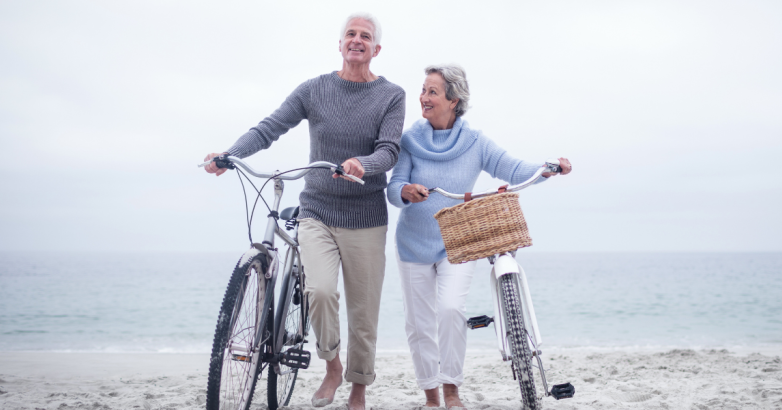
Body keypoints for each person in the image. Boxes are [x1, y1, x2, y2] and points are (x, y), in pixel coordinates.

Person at [203, 13, 405, 410]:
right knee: (320, 291)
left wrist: (364, 164)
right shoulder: (314, 89)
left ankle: (358, 388)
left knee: (363, 314)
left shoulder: (391, 95)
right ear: (340, 43)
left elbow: (389, 150)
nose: (357, 40)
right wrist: (230, 154)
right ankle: (332, 366)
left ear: (376, 49)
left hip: (366, 216)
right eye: (351, 34)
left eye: (365, 36)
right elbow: (269, 127)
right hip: (318, 210)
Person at [386, 65, 572, 409]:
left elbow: (513, 169)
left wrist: (547, 169)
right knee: (419, 324)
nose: (423, 98)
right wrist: (406, 191)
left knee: (451, 309)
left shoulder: (474, 141)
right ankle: (431, 396)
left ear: (454, 100)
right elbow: (394, 186)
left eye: (432, 92)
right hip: (412, 243)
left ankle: (452, 390)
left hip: (457, 244)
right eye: (423, 90)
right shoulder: (410, 140)